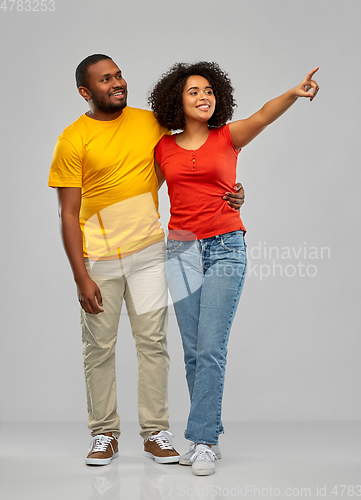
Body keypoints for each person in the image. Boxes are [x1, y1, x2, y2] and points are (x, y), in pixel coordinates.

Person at [48, 54, 245, 466]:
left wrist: (231, 194)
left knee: (154, 344)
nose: (117, 83)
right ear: (86, 92)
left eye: (119, 75)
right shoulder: (72, 139)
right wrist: (80, 276)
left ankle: (156, 432)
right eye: (105, 80)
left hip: (153, 254)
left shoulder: (151, 123)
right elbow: (68, 213)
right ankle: (104, 434)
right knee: (99, 347)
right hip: (98, 258)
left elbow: (194, 161)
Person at [148, 62, 319, 475]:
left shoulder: (228, 137)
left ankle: (203, 440)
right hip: (181, 251)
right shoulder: (162, 149)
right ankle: (210, 428)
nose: (204, 96)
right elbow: (142, 193)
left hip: (225, 247)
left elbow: (262, 113)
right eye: (193, 92)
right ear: (177, 101)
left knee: (210, 347)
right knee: (192, 351)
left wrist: (294, 93)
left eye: (209, 90)